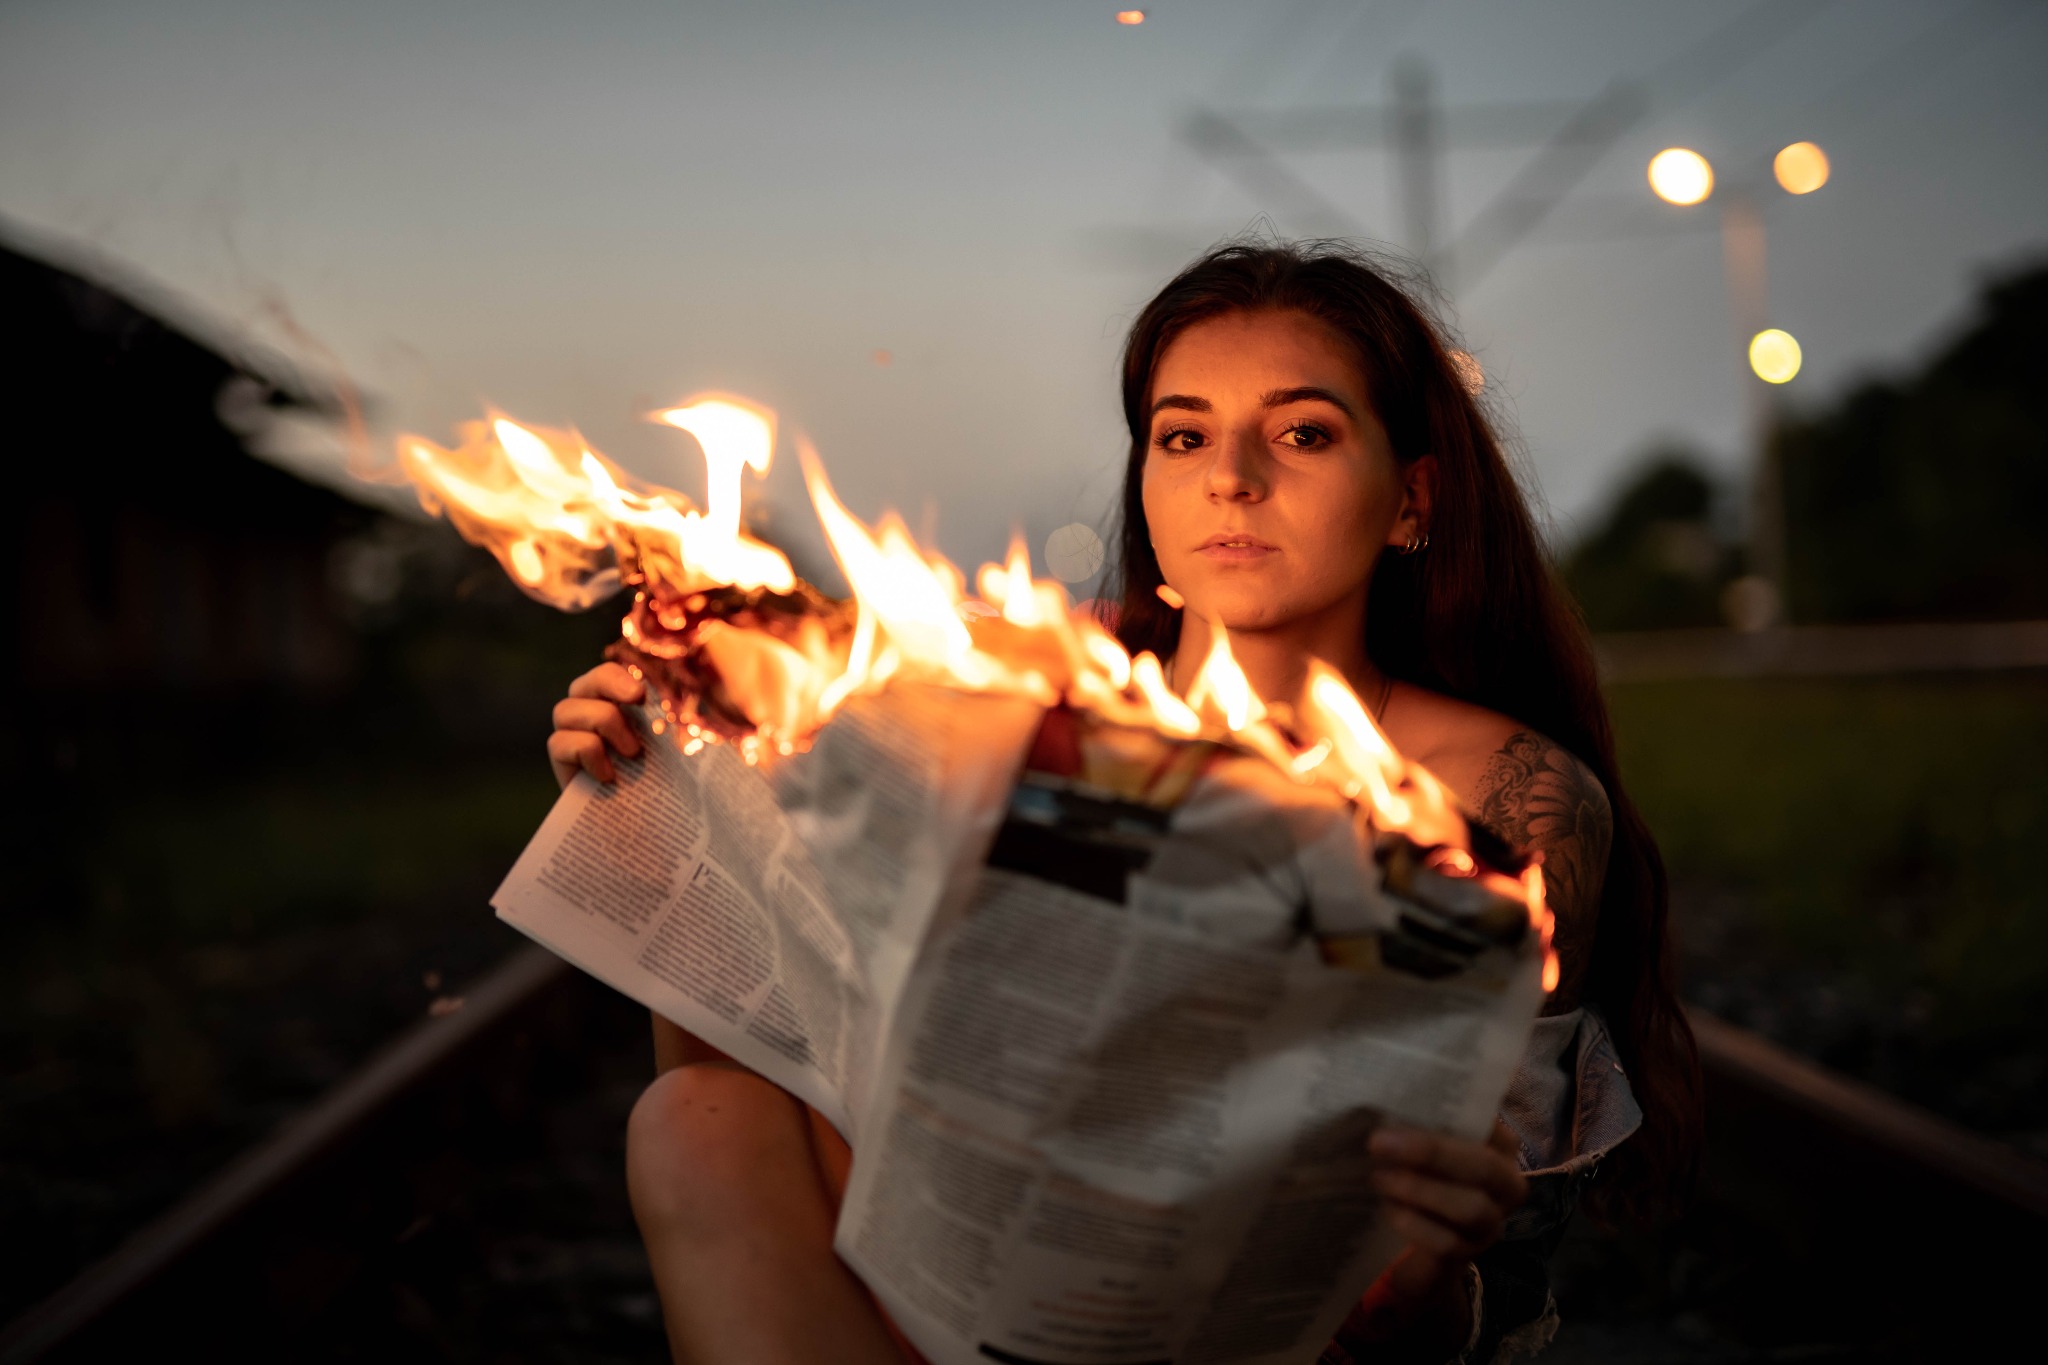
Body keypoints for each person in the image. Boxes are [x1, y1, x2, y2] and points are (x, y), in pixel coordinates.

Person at [548, 240, 1701, 1364]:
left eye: (1301, 433)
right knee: (694, 1125)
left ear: (1410, 498)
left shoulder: (1505, 795)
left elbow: (1477, 1278)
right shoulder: (998, 702)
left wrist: (1421, 1282)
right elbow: (728, 1062)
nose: (1229, 477)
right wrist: (658, 798)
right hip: (934, 1289)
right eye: (1181, 435)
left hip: (1264, 1332)